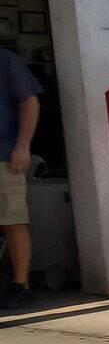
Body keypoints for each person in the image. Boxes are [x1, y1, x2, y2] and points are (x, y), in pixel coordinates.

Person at [0, 44, 43, 310]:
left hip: (3, 155)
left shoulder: (4, 60)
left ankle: (21, 284)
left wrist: (23, 146)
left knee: (12, 220)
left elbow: (30, 101)